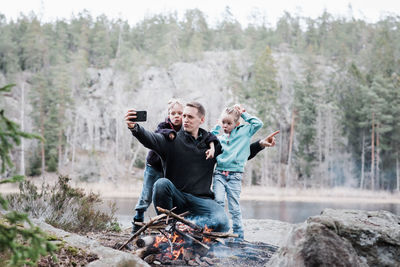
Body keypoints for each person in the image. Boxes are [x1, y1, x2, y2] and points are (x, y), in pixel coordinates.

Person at [126, 101, 229, 232]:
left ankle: (191, 227)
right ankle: (169, 227)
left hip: (202, 201)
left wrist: (259, 145)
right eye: (184, 116)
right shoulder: (172, 140)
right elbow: (150, 138)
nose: (185, 120)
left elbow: (239, 155)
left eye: (190, 117)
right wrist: (135, 128)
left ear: (201, 120)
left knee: (223, 223)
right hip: (177, 199)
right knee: (161, 184)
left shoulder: (212, 145)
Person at [210, 104, 263, 240]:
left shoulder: (245, 132)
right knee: (219, 202)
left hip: (235, 176)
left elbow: (258, 123)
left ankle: (239, 236)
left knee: (234, 207)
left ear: (237, 124)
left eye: (229, 123)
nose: (225, 126)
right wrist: (216, 127)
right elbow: (208, 139)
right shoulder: (220, 139)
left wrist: (243, 113)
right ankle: (219, 231)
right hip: (220, 174)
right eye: (223, 122)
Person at [131, 99, 185, 233]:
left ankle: (164, 222)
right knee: (146, 195)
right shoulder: (164, 125)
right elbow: (159, 132)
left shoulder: (186, 129)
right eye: (173, 113)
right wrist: (170, 134)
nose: (176, 116)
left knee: (164, 194)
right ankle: (137, 220)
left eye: (180, 113)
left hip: (170, 169)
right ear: (169, 115)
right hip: (154, 167)